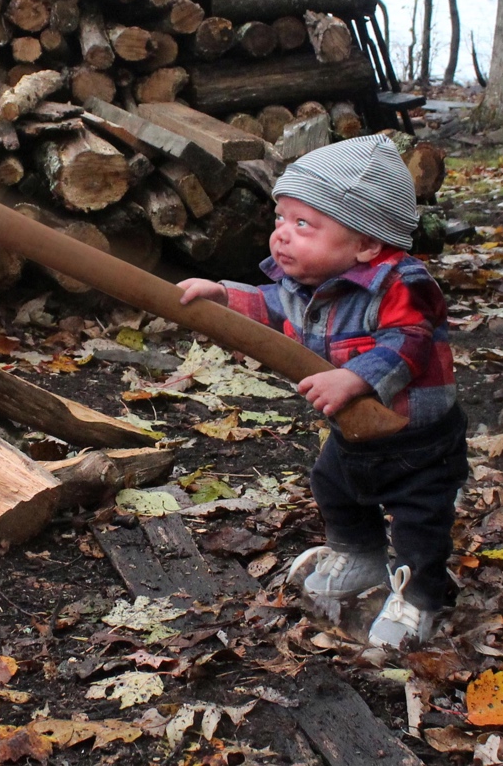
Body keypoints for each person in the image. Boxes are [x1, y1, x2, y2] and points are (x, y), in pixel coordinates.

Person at [177, 134, 466, 648]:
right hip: (353, 433)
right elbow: (270, 306)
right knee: (335, 486)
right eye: (280, 220)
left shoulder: (403, 283)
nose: (281, 236)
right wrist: (221, 295)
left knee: (420, 519)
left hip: (419, 440)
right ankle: (359, 554)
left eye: (303, 223)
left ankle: (420, 595)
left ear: (366, 243)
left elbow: (410, 341)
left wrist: (355, 377)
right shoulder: (305, 284)